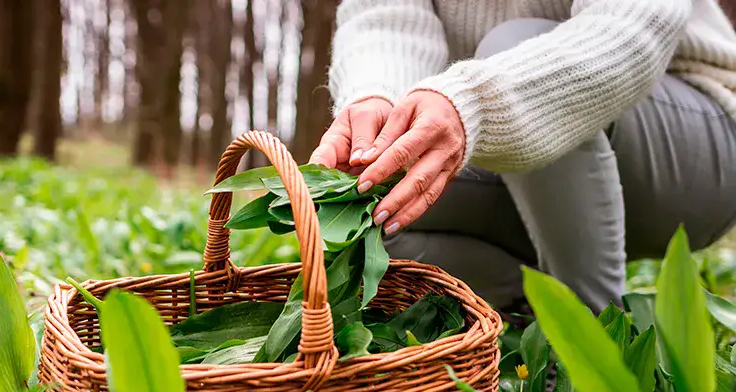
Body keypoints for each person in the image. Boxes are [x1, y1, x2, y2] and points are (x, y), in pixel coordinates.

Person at [310, 0, 736, 315]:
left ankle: (592, 340)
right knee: (372, 202)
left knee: (512, 44)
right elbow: (383, 21)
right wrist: (378, 103)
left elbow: (632, 26)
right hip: (520, 163)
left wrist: (475, 102)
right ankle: (531, 309)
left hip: (696, 143)